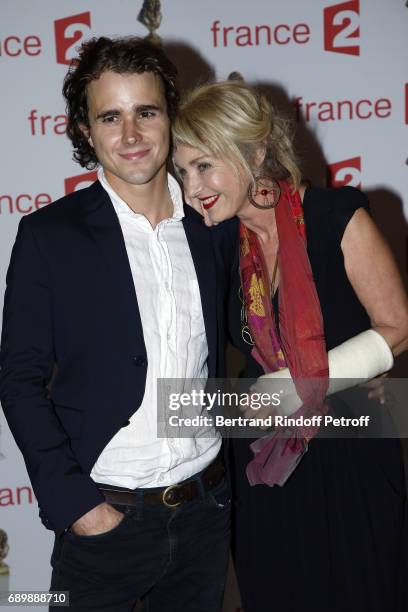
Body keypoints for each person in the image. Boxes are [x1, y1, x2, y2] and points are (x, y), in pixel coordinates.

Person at [0, 37, 237, 612]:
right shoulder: (49, 236)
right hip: (104, 520)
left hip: (207, 510)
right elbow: (19, 378)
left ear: (170, 117)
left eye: (146, 112)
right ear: (86, 129)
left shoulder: (213, 223)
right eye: (111, 116)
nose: (130, 135)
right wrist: (76, 505)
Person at [172, 79, 408, 612]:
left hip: (351, 454)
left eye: (205, 166)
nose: (192, 187)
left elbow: (397, 325)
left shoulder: (337, 218)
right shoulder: (219, 241)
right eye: (183, 171)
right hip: (264, 464)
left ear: (255, 152)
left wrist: (310, 382)